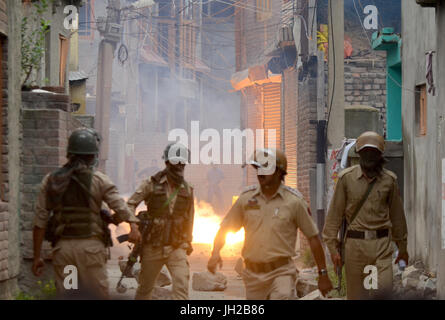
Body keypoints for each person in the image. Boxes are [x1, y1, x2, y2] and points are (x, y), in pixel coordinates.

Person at [207, 148, 333, 300]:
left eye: (265, 169)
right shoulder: (246, 199)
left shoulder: (294, 202)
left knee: (282, 295)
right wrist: (215, 253)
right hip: (253, 276)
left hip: (282, 273)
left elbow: (313, 238)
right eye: (258, 168)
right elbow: (225, 228)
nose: (260, 173)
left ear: (279, 172)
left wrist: (323, 274)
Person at [32, 128, 141, 299]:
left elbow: (40, 222)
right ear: (92, 156)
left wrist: (37, 256)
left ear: (69, 153)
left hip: (64, 250)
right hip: (91, 250)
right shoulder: (99, 180)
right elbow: (120, 206)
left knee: (70, 295)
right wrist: (133, 226)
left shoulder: (51, 180)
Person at [323, 131, 408, 300]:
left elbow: (398, 218)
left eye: (373, 153)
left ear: (380, 155)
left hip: (381, 247)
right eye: (365, 152)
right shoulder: (346, 179)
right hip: (355, 247)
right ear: (359, 154)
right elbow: (334, 217)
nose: (369, 156)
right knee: (357, 296)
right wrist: (333, 250)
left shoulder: (389, 181)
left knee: (382, 293)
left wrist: (403, 249)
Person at [127, 143, 195, 300]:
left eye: (182, 164)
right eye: (176, 163)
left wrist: (188, 241)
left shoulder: (188, 189)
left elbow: (190, 217)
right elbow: (130, 204)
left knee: (182, 287)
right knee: (145, 289)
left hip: (177, 246)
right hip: (153, 246)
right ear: (167, 163)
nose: (179, 167)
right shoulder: (150, 184)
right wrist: (133, 227)